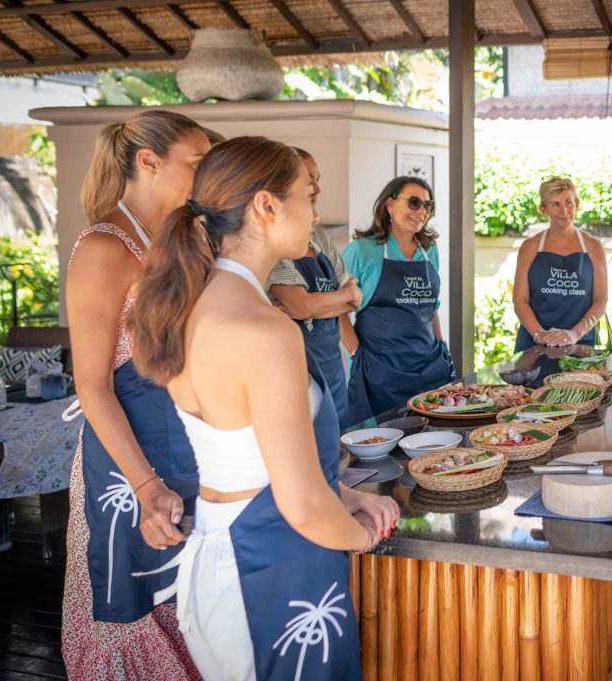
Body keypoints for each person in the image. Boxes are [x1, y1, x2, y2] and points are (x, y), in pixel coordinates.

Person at [131, 137, 400, 679]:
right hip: (272, 563)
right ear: (266, 205)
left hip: (226, 550)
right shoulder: (264, 327)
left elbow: (248, 453)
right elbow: (301, 505)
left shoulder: (192, 304)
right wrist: (363, 537)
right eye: (307, 195)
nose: (316, 212)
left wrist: (344, 495)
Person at [63, 110, 209, 679]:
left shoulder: (184, 237)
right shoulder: (104, 246)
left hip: (189, 446)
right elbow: (92, 385)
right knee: (136, 621)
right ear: (149, 163)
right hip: (127, 466)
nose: (206, 174)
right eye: (196, 163)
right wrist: (146, 486)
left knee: (194, 607)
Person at [342, 176, 455, 423]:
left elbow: (431, 307)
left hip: (429, 368)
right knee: (380, 445)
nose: (422, 211)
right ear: (390, 205)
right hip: (379, 372)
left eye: (428, 205)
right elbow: (335, 308)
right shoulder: (362, 250)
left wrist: (441, 347)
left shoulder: (430, 250)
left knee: (434, 444)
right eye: (414, 202)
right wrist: (356, 353)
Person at [268, 148, 361, 428]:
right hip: (299, 369)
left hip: (334, 368)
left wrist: (324, 302)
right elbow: (299, 305)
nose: (317, 188)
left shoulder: (317, 234)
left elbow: (354, 297)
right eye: (310, 180)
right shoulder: (278, 240)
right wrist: (339, 298)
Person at [513, 175, 608, 351]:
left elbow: (600, 300)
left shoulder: (594, 247)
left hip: (580, 344)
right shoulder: (530, 247)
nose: (564, 211)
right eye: (555, 204)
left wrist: (574, 334)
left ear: (577, 204)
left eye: (568, 203)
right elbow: (520, 300)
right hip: (533, 345)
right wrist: (540, 335)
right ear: (543, 209)